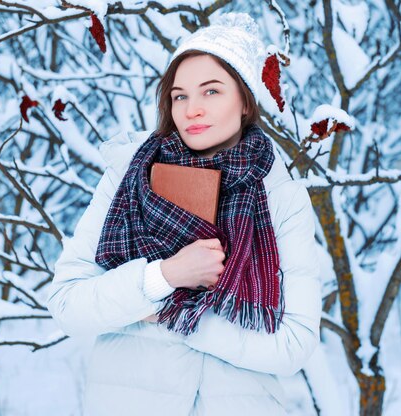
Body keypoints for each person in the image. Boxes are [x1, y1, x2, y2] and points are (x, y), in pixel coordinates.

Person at [47, 12, 321, 415]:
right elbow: (68, 304)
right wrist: (165, 276)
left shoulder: (280, 198)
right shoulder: (129, 180)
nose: (192, 109)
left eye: (211, 92)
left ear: (244, 100)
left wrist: (178, 318)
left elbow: (294, 344)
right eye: (180, 96)